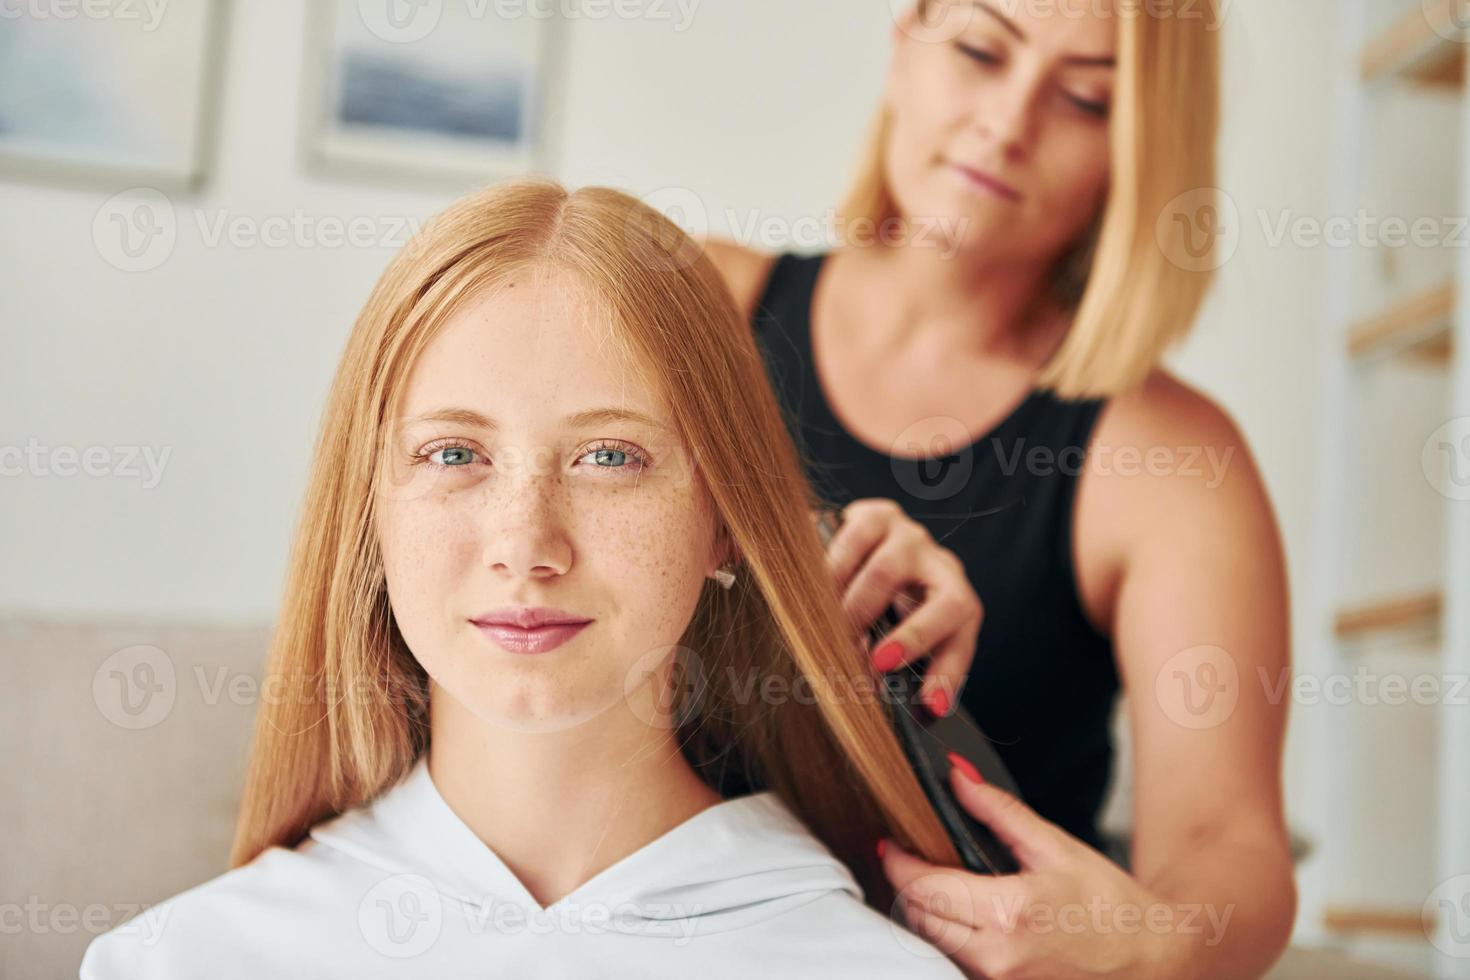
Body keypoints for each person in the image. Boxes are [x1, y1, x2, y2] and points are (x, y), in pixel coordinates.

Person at [79, 178, 980, 979]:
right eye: (454, 452)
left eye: (608, 455)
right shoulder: (178, 960)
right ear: (370, 513)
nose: (526, 545)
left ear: (727, 525)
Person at [703, 0, 1296, 976]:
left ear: (1136, 151)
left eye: (1083, 98)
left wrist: (1146, 941)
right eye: (981, 50)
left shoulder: (1171, 456)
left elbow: (1230, 845)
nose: (1008, 123)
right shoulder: (706, 306)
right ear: (904, 45)